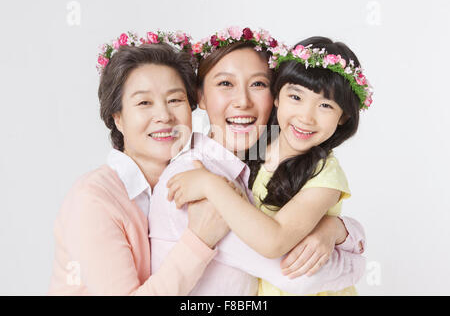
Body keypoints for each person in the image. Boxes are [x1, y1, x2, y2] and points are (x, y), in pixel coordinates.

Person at [149, 27, 366, 295]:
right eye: (225, 83)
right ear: (200, 96)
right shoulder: (193, 174)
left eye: (258, 84)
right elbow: (296, 274)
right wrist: (357, 262)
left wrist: (337, 230)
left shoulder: (259, 154)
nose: (242, 101)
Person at [48, 32, 231, 295]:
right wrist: (200, 239)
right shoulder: (93, 200)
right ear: (118, 118)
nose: (164, 116)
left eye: (175, 100)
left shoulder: (199, 173)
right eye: (144, 102)